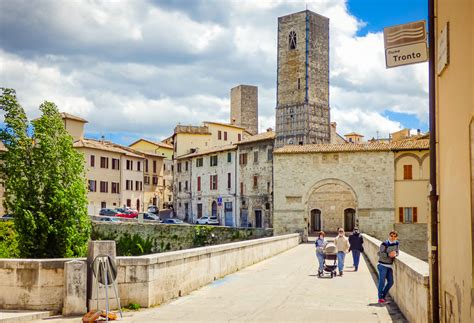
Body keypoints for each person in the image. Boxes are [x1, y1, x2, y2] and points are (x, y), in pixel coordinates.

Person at [377, 230, 400, 304]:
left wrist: (395, 254)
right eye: (391, 236)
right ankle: (380, 298)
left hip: (389, 266)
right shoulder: (384, 243)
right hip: (382, 265)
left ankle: (383, 296)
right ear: (389, 236)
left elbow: (397, 252)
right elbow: (379, 253)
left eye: (394, 236)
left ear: (396, 237)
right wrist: (388, 255)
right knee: (382, 282)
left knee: (391, 282)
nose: (393, 237)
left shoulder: (397, 243)